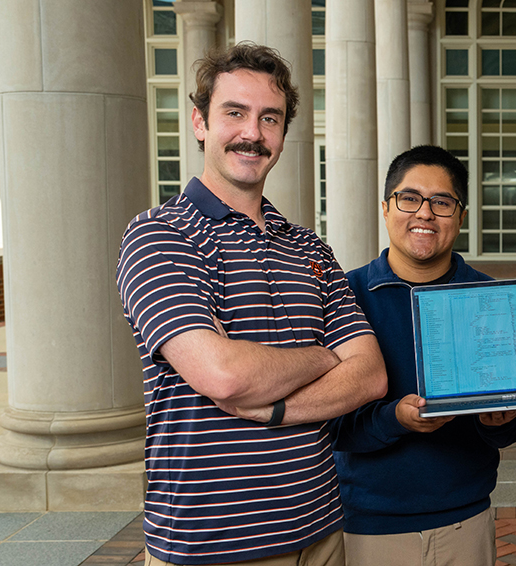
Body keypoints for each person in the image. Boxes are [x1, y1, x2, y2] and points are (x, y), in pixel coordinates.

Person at [116, 42, 387, 566]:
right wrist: (324, 356)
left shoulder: (309, 246)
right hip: (213, 542)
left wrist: (276, 404)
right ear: (200, 122)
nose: (253, 133)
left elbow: (371, 375)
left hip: (321, 526)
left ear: (284, 133)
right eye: (234, 113)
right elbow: (225, 377)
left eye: (270, 118)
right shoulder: (160, 235)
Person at [330, 145, 516, 566]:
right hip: (369, 526)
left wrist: (499, 422)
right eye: (409, 198)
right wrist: (394, 419)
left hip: (466, 521)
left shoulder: (490, 299)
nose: (424, 213)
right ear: (386, 208)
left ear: (461, 217)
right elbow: (331, 425)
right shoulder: (346, 297)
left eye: (442, 202)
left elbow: (510, 423)